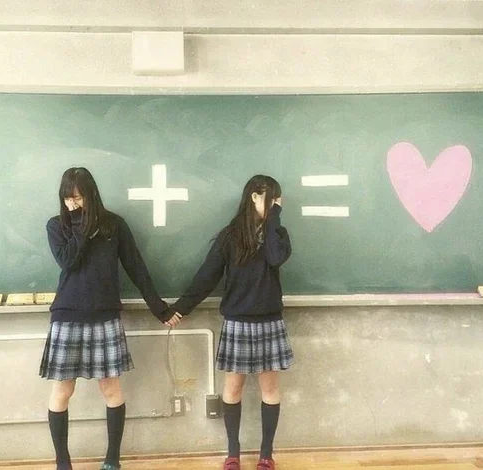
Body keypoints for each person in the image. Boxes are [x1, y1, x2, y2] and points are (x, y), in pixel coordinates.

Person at [40, 167, 181, 470]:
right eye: (67, 199)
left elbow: (136, 268)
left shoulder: (114, 225)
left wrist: (160, 308)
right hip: (67, 315)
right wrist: (81, 225)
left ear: (91, 195)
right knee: (63, 390)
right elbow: (68, 261)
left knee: (111, 389)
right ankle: (62, 462)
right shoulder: (57, 226)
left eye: (78, 198)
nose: (72, 205)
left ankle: (113, 459)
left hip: (104, 316)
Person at [173, 175, 294, 470]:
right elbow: (207, 276)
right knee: (233, 388)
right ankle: (233, 453)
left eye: (278, 200)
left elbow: (275, 258)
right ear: (254, 196)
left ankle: (266, 454)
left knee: (270, 389)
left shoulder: (278, 234)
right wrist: (181, 308)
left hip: (269, 320)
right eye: (272, 198)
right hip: (238, 320)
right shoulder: (230, 236)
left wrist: (273, 217)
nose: (277, 204)